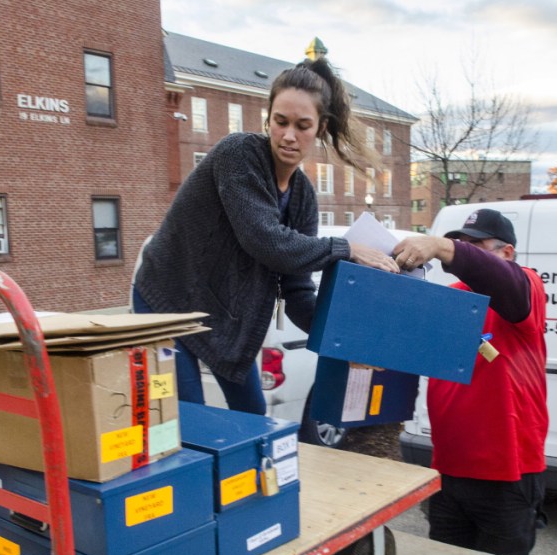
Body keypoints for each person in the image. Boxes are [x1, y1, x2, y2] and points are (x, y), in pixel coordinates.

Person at [133, 58, 398, 415]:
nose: (289, 135)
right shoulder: (238, 154)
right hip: (166, 298)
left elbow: (298, 291)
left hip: (223, 318)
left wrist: (344, 344)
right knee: (188, 419)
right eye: (281, 122)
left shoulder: (302, 196)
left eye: (303, 125)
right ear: (268, 119)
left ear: (319, 129)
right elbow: (265, 240)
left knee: (254, 418)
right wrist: (346, 249)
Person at [394, 209, 548, 555]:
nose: (463, 250)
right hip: (449, 470)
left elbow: (503, 281)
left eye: (476, 245)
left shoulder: (526, 287)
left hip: (506, 475)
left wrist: (440, 246)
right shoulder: (453, 297)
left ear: (506, 253)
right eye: (462, 243)